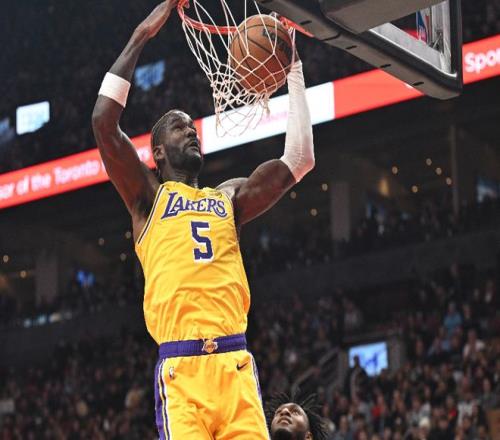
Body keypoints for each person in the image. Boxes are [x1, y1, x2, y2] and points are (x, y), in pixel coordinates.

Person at [91, 1, 314, 438]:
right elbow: (103, 121)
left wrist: (294, 69)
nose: (191, 130)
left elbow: (299, 160)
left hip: (235, 364)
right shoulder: (147, 197)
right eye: (178, 127)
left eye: (192, 126)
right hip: (182, 371)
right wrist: (141, 34)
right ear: (157, 153)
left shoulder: (228, 197)